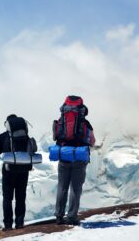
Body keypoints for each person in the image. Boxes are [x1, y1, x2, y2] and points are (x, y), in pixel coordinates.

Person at [52, 95, 95, 226]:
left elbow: (55, 136)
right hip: (79, 157)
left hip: (64, 156)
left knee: (62, 186)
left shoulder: (61, 121)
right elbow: (92, 141)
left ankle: (59, 216)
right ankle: (71, 217)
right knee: (75, 188)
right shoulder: (85, 124)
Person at [0, 114, 33, 231]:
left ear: (8, 124)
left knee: (8, 198)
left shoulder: (2, 136)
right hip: (23, 170)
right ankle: (20, 223)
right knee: (21, 196)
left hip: (8, 170)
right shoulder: (25, 136)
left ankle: (8, 225)